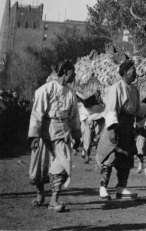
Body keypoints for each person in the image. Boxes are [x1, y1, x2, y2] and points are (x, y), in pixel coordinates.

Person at [28, 60, 82, 212]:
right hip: (45, 131)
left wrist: (77, 136)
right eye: (73, 72)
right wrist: (34, 136)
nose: (75, 75)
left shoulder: (71, 93)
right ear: (65, 72)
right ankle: (40, 195)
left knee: (64, 164)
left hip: (62, 132)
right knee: (40, 166)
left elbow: (74, 117)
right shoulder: (45, 90)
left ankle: (54, 200)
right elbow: (37, 113)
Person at [97, 59, 146, 201]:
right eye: (133, 71)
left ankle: (121, 188)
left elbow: (137, 110)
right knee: (110, 157)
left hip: (128, 127)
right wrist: (112, 130)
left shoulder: (135, 90)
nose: (135, 74)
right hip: (115, 126)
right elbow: (111, 109)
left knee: (126, 158)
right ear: (125, 72)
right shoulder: (116, 88)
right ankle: (103, 187)